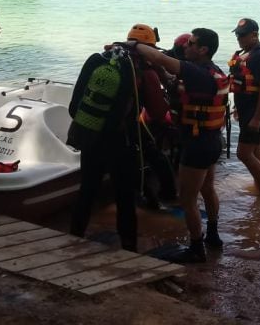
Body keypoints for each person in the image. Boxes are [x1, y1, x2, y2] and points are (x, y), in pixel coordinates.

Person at [129, 28, 228, 263]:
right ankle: (212, 236)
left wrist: (132, 46)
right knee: (208, 189)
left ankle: (196, 248)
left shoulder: (196, 72)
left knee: (187, 199)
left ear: (203, 49)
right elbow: (174, 82)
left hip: (197, 145)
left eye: (191, 43)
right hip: (211, 141)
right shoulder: (212, 72)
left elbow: (161, 59)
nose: (186, 46)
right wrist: (163, 76)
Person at [68, 24, 168, 252]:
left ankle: (74, 237)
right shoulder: (143, 70)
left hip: (91, 133)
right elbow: (159, 113)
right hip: (121, 141)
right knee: (125, 196)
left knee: (87, 190)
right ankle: (129, 248)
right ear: (150, 48)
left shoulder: (102, 59)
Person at [228, 18, 260, 196]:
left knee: (243, 153)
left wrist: (256, 118)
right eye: (237, 35)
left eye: (242, 35)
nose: (239, 38)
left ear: (254, 35)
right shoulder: (247, 53)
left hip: (258, 112)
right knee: (256, 150)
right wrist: (238, 108)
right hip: (249, 109)